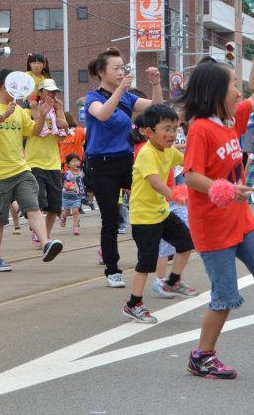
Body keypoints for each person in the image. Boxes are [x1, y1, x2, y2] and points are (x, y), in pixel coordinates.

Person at [181, 58, 254, 379]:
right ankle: (202, 357)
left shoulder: (231, 121)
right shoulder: (200, 129)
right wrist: (224, 190)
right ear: (215, 92)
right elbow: (192, 175)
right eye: (234, 85)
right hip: (213, 229)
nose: (239, 92)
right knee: (224, 297)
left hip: (242, 221)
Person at [84, 47, 163, 288]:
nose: (121, 72)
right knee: (111, 219)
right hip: (101, 164)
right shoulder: (92, 98)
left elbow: (157, 109)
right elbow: (104, 114)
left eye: (123, 68)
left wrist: (156, 84)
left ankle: (157, 253)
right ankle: (112, 270)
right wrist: (121, 88)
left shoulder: (128, 97)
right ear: (101, 72)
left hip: (127, 161)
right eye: (115, 69)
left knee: (152, 199)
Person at [0, 69, 63, 272]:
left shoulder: (18, 110)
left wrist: (41, 116)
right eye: (15, 84)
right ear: (5, 86)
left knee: (32, 206)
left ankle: (46, 244)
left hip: (21, 169)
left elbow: (34, 131)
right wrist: (1, 116)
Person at [122, 104, 194, 323]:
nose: (172, 134)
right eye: (167, 129)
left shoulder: (169, 150)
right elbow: (154, 181)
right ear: (149, 132)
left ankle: (173, 280)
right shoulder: (146, 153)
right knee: (146, 263)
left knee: (186, 242)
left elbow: (188, 160)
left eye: (175, 129)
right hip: (144, 216)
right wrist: (174, 194)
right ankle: (133, 305)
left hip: (161, 212)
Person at [25, 79, 67, 242]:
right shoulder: (29, 109)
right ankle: (37, 227)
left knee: (55, 206)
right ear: (40, 93)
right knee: (38, 201)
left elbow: (62, 138)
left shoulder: (57, 111)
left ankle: (44, 236)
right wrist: (35, 109)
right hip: (34, 162)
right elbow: (35, 129)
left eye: (54, 92)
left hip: (53, 163)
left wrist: (62, 114)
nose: (52, 95)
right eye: (48, 91)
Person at [59, 153, 84, 235]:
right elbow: (65, 185)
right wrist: (69, 187)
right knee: (66, 212)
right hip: (67, 196)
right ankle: (63, 217)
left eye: (77, 161)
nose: (76, 163)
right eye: (73, 161)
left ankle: (76, 228)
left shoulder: (81, 172)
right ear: (68, 164)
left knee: (75, 211)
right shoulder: (68, 174)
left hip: (76, 196)